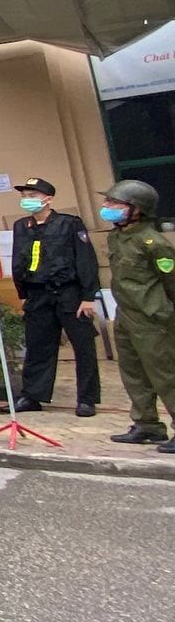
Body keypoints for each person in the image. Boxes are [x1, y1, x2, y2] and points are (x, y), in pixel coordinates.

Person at [9, 177, 101, 416]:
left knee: (83, 347)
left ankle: (87, 399)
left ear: (47, 199)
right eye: (24, 196)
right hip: (38, 293)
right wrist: (23, 293)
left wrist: (89, 295)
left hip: (68, 291)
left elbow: (86, 259)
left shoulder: (69, 224)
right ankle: (32, 395)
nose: (27, 200)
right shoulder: (22, 226)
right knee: (37, 346)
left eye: (32, 195)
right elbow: (18, 260)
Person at [101, 180, 175, 452]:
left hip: (152, 318)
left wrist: (165, 314)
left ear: (137, 210)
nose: (107, 208)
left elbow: (171, 282)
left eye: (114, 204)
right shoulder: (118, 237)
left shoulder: (154, 242)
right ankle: (147, 425)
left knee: (166, 375)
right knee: (133, 373)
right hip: (126, 315)